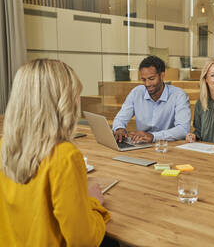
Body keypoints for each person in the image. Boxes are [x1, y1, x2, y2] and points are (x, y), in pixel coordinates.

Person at [0, 59, 111, 246]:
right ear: (62, 101)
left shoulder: (4, 146)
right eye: (76, 95)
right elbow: (84, 240)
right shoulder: (64, 156)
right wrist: (94, 205)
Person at [113, 55, 191, 143]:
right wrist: (119, 129)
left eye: (151, 79)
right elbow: (120, 118)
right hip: (141, 145)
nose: (147, 84)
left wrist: (154, 136)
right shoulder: (136, 93)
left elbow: (183, 129)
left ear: (162, 75)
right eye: (143, 79)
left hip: (167, 146)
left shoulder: (178, 95)